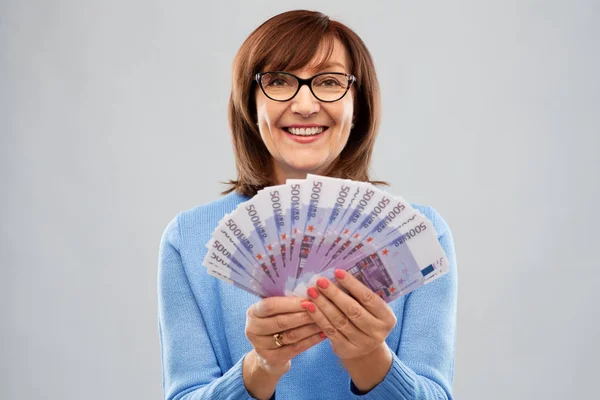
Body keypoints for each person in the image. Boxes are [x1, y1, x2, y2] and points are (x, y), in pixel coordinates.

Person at [158, 9, 457, 400]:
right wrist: (260, 366)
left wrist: (370, 358)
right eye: (279, 81)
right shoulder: (188, 239)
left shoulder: (418, 236)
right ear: (250, 102)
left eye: (329, 81)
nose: (304, 104)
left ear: (358, 104)